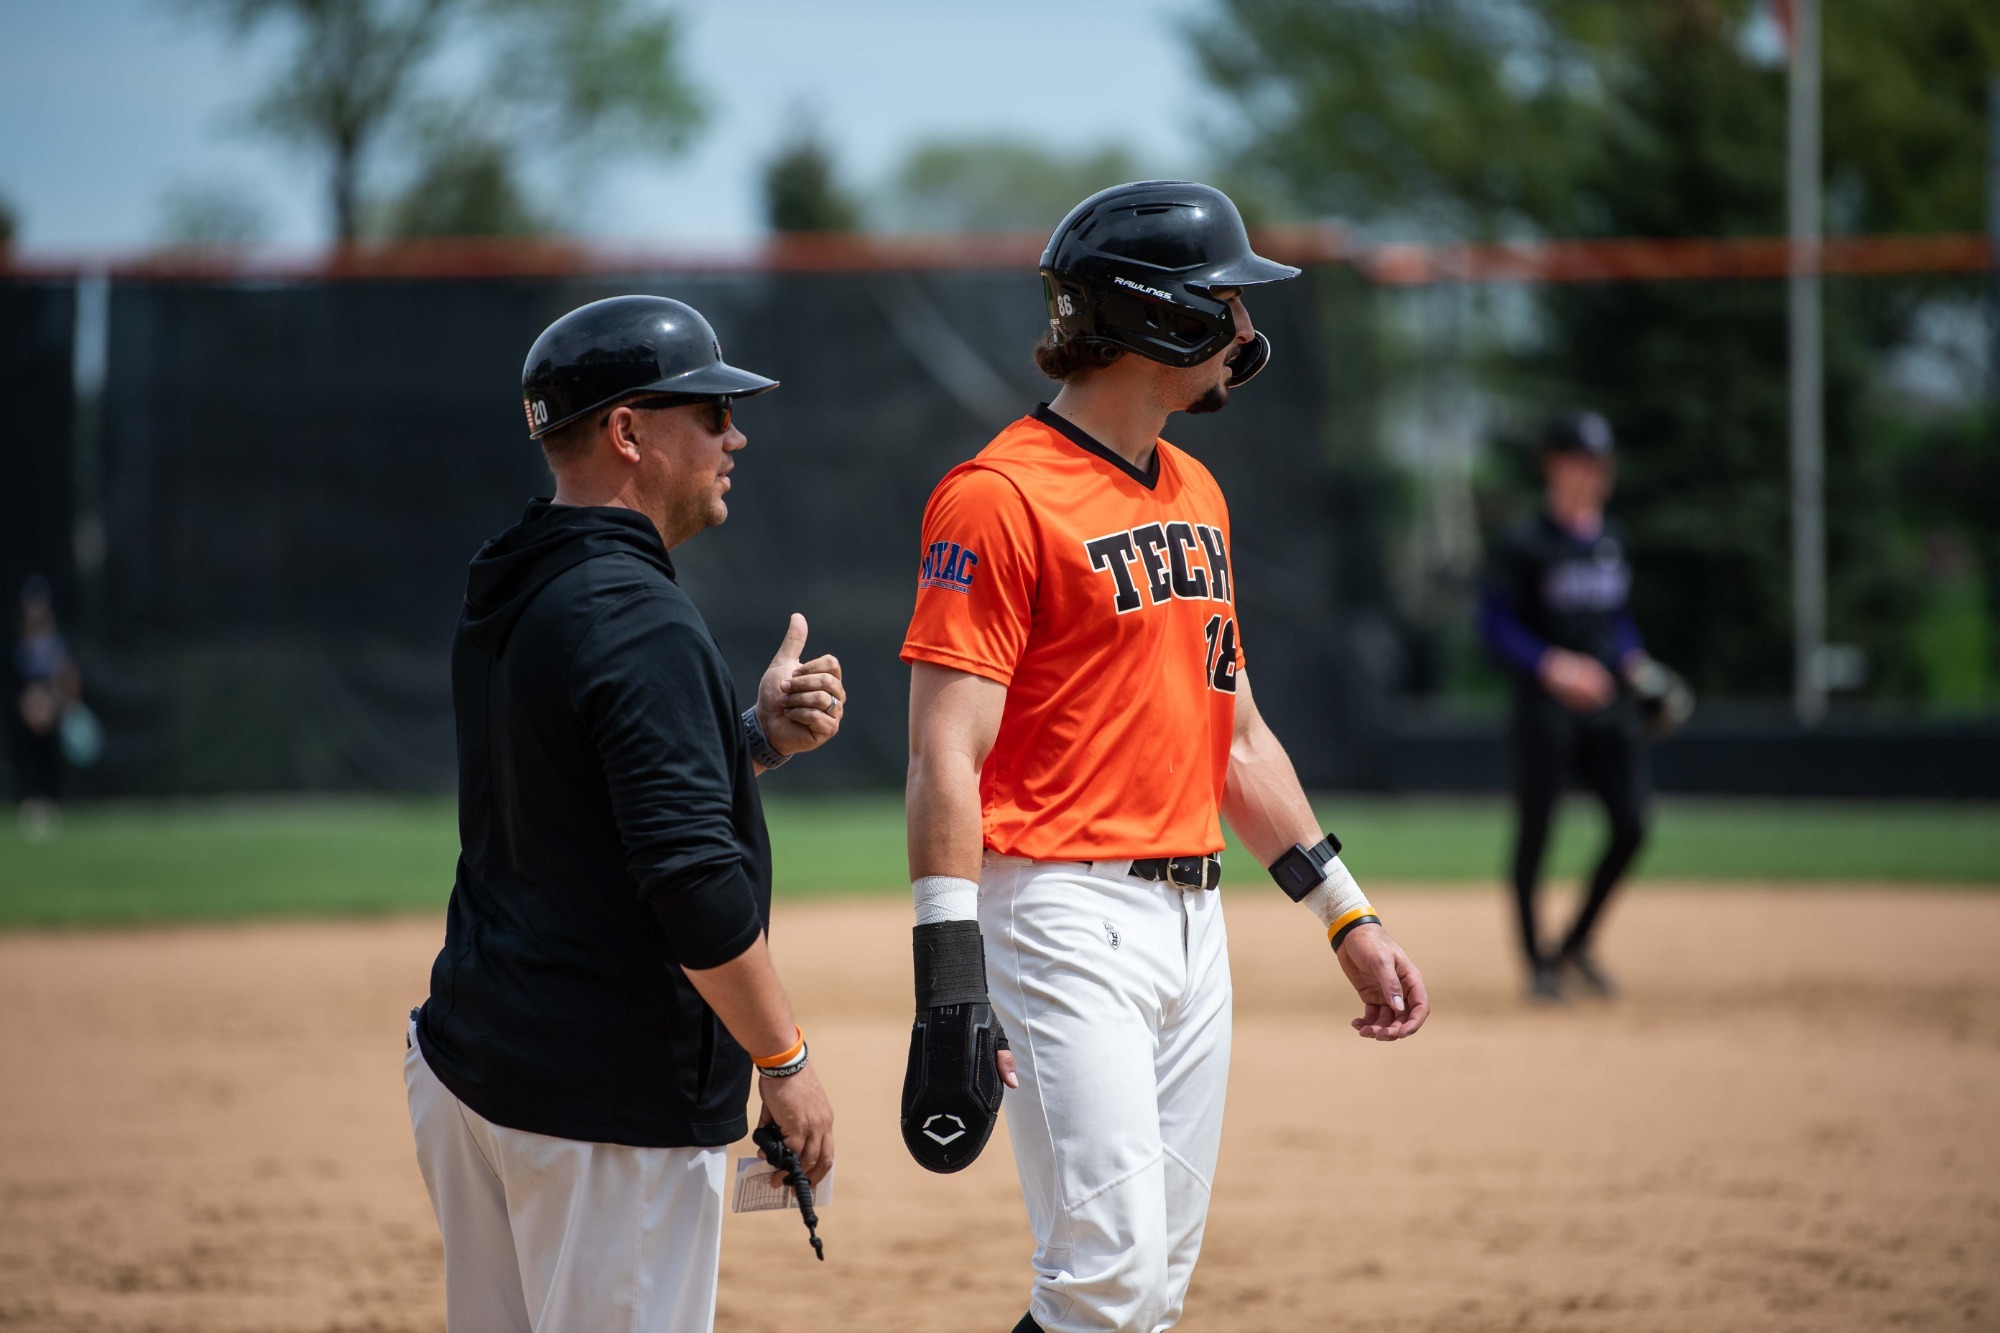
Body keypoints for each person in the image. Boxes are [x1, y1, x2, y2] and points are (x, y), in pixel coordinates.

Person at [896, 182, 1431, 1333]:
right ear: (1160, 316)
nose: (1244, 330)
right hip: (1053, 913)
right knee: (1106, 1277)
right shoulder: (994, 498)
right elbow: (945, 755)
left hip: (1193, 921)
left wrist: (1347, 913)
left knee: (1152, 1294)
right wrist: (946, 987)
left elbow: (1234, 737)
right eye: (1225, 302)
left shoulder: (1195, 491)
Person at [405, 295, 846, 1333]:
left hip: (479, 1062)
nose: (734, 435)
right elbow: (690, 881)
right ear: (628, 431)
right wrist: (784, 1064)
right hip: (601, 1107)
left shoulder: (520, 577)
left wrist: (750, 740)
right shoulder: (637, 617)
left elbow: (578, 788)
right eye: (709, 412)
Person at [1478, 411, 1678, 1001]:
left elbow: (1615, 620)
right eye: (1583, 462)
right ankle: (1537, 964)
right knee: (1537, 830)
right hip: (1545, 708)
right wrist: (1553, 664)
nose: (1595, 474)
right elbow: (1493, 627)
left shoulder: (1610, 539)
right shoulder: (1523, 543)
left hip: (1608, 708)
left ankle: (1576, 943)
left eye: (1601, 463)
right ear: (1554, 464)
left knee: (1632, 823)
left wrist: (1639, 664)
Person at [11, 574, 81, 840]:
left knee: (48, 757)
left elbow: (67, 675)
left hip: (52, 709)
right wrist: (29, 705)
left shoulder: (56, 642)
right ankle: (31, 802)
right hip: (27, 711)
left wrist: (58, 703)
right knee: (28, 756)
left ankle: (50, 804)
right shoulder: (18, 646)